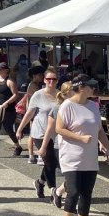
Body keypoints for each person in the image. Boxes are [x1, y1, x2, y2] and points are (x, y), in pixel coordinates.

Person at [56, 74, 109, 216]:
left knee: (86, 193)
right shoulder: (67, 106)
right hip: (71, 156)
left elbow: (99, 130)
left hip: (89, 157)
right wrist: (79, 137)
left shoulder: (94, 106)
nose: (94, 88)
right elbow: (59, 129)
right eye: (91, 85)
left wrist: (106, 146)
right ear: (81, 88)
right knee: (73, 191)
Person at [17, 67, 60, 200]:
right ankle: (54, 191)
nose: (51, 82)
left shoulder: (60, 95)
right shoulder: (38, 94)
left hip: (56, 133)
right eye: (48, 79)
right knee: (49, 162)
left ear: (57, 80)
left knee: (52, 162)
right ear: (44, 80)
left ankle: (40, 182)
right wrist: (20, 128)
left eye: (54, 79)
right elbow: (29, 112)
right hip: (40, 132)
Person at [0, 62, 23, 158]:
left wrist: (7, 102)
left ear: (6, 70)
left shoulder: (10, 81)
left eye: (2, 69)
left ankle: (17, 146)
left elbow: (15, 94)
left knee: (8, 129)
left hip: (7, 110)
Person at [48, 81, 73, 209]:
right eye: (73, 90)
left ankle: (58, 192)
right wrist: (43, 146)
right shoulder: (58, 108)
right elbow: (50, 128)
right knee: (72, 178)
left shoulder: (80, 106)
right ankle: (72, 207)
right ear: (65, 93)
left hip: (76, 147)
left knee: (76, 178)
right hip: (61, 146)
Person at [26, 66, 46, 164]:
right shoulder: (33, 86)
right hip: (34, 112)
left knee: (33, 133)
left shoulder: (33, 85)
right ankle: (35, 155)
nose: (42, 76)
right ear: (35, 75)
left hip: (33, 112)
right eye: (40, 75)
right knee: (35, 134)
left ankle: (32, 156)